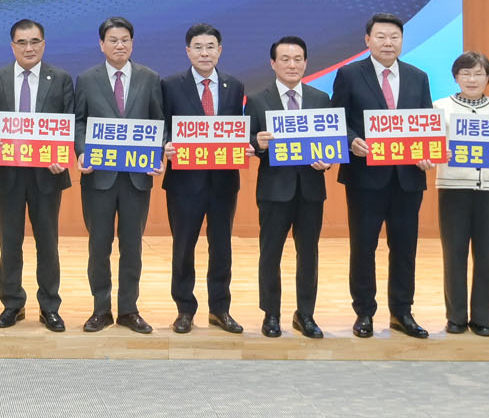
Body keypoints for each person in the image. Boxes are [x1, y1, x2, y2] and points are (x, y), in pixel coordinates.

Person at [333, 12, 433, 339]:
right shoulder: (349, 74)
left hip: (408, 178)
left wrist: (428, 153)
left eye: (394, 37)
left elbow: (426, 123)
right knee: (364, 247)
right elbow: (337, 119)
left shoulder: (418, 77)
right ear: (367, 40)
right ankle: (364, 312)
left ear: (402, 40)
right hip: (365, 178)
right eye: (381, 36)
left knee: (405, 248)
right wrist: (351, 142)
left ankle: (402, 312)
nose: (388, 43)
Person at [0, 19, 73, 332]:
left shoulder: (60, 79)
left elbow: (69, 120)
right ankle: (12, 304)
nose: (29, 48)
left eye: (35, 41)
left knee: (48, 243)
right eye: (22, 42)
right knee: (10, 243)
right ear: (13, 46)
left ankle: (50, 306)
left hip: (47, 175)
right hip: (7, 174)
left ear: (43, 44)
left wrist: (63, 154)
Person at [74, 17, 164, 334]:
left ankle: (128, 309)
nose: (120, 45)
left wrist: (158, 152)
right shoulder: (87, 79)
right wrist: (81, 150)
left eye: (125, 39)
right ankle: (101, 309)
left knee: (132, 247)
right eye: (113, 40)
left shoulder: (150, 78)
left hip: (136, 178)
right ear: (101, 44)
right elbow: (79, 121)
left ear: (132, 43)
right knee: (99, 246)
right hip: (98, 177)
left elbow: (158, 122)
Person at [160, 23, 246, 334]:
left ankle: (220, 309)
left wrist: (246, 143)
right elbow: (161, 125)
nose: (204, 53)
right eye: (198, 47)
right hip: (184, 183)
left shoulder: (234, 86)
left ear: (219, 51)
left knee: (221, 248)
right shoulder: (171, 85)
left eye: (210, 47)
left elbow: (239, 127)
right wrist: (164, 144)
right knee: (183, 248)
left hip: (224, 182)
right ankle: (185, 309)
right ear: (188, 51)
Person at [248, 36, 331, 339]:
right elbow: (247, 143)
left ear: (306, 63)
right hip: (274, 190)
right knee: (270, 253)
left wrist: (327, 161)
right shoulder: (257, 100)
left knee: (308, 253)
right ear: (273, 63)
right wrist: (256, 143)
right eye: (285, 59)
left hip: (311, 190)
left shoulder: (321, 98)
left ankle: (305, 314)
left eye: (297, 59)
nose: (292, 65)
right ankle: (271, 314)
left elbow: (330, 142)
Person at [435, 51, 489, 338]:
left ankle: (482, 318)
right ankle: (455, 317)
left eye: (478, 73)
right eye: (465, 73)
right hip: (453, 188)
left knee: (486, 255)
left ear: (488, 78)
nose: (472, 79)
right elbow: (429, 147)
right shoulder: (439, 108)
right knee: (454, 252)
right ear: (456, 77)